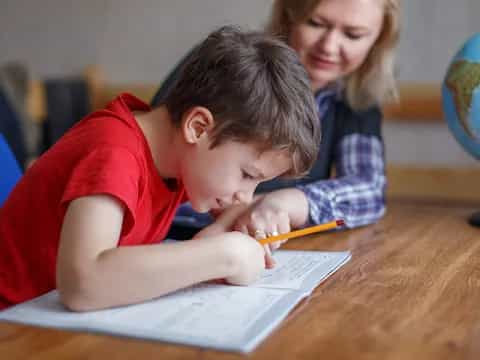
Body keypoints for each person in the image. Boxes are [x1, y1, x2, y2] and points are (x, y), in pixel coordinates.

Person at [0, 26, 320, 311]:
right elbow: (82, 283)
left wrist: (234, 224)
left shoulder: (180, 158)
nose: (243, 196)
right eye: (248, 175)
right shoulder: (114, 152)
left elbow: (228, 211)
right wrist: (225, 254)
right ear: (197, 127)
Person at [152, 0, 400, 256]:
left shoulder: (354, 98)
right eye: (315, 23)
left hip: (246, 248)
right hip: (174, 241)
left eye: (353, 34)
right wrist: (235, 216)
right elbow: (158, 167)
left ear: (377, 40)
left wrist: (284, 202)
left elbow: (368, 188)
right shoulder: (231, 65)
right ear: (289, 16)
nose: (329, 46)